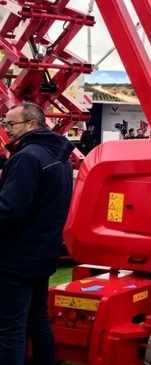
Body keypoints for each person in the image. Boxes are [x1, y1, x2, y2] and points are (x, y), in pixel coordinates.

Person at [0, 102, 74, 364]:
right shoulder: (60, 157)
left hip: (16, 256)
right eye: (4, 124)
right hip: (43, 253)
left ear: (32, 124)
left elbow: (9, 210)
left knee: (9, 329)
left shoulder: (27, 157)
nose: (7, 129)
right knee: (37, 320)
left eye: (11, 124)